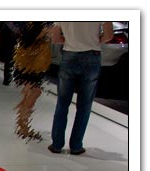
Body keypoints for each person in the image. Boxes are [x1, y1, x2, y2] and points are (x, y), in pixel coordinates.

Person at [48, 21, 113, 155]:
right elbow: (109, 35)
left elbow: (55, 38)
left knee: (62, 103)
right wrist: (94, 41)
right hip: (92, 55)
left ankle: (57, 145)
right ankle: (76, 146)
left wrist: (70, 41)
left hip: (69, 55)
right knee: (84, 106)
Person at [12, 22, 52, 140]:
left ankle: (22, 124)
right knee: (34, 92)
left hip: (28, 63)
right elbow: (30, 39)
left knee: (29, 94)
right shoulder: (38, 25)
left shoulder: (31, 24)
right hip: (31, 65)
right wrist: (45, 32)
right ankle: (23, 125)